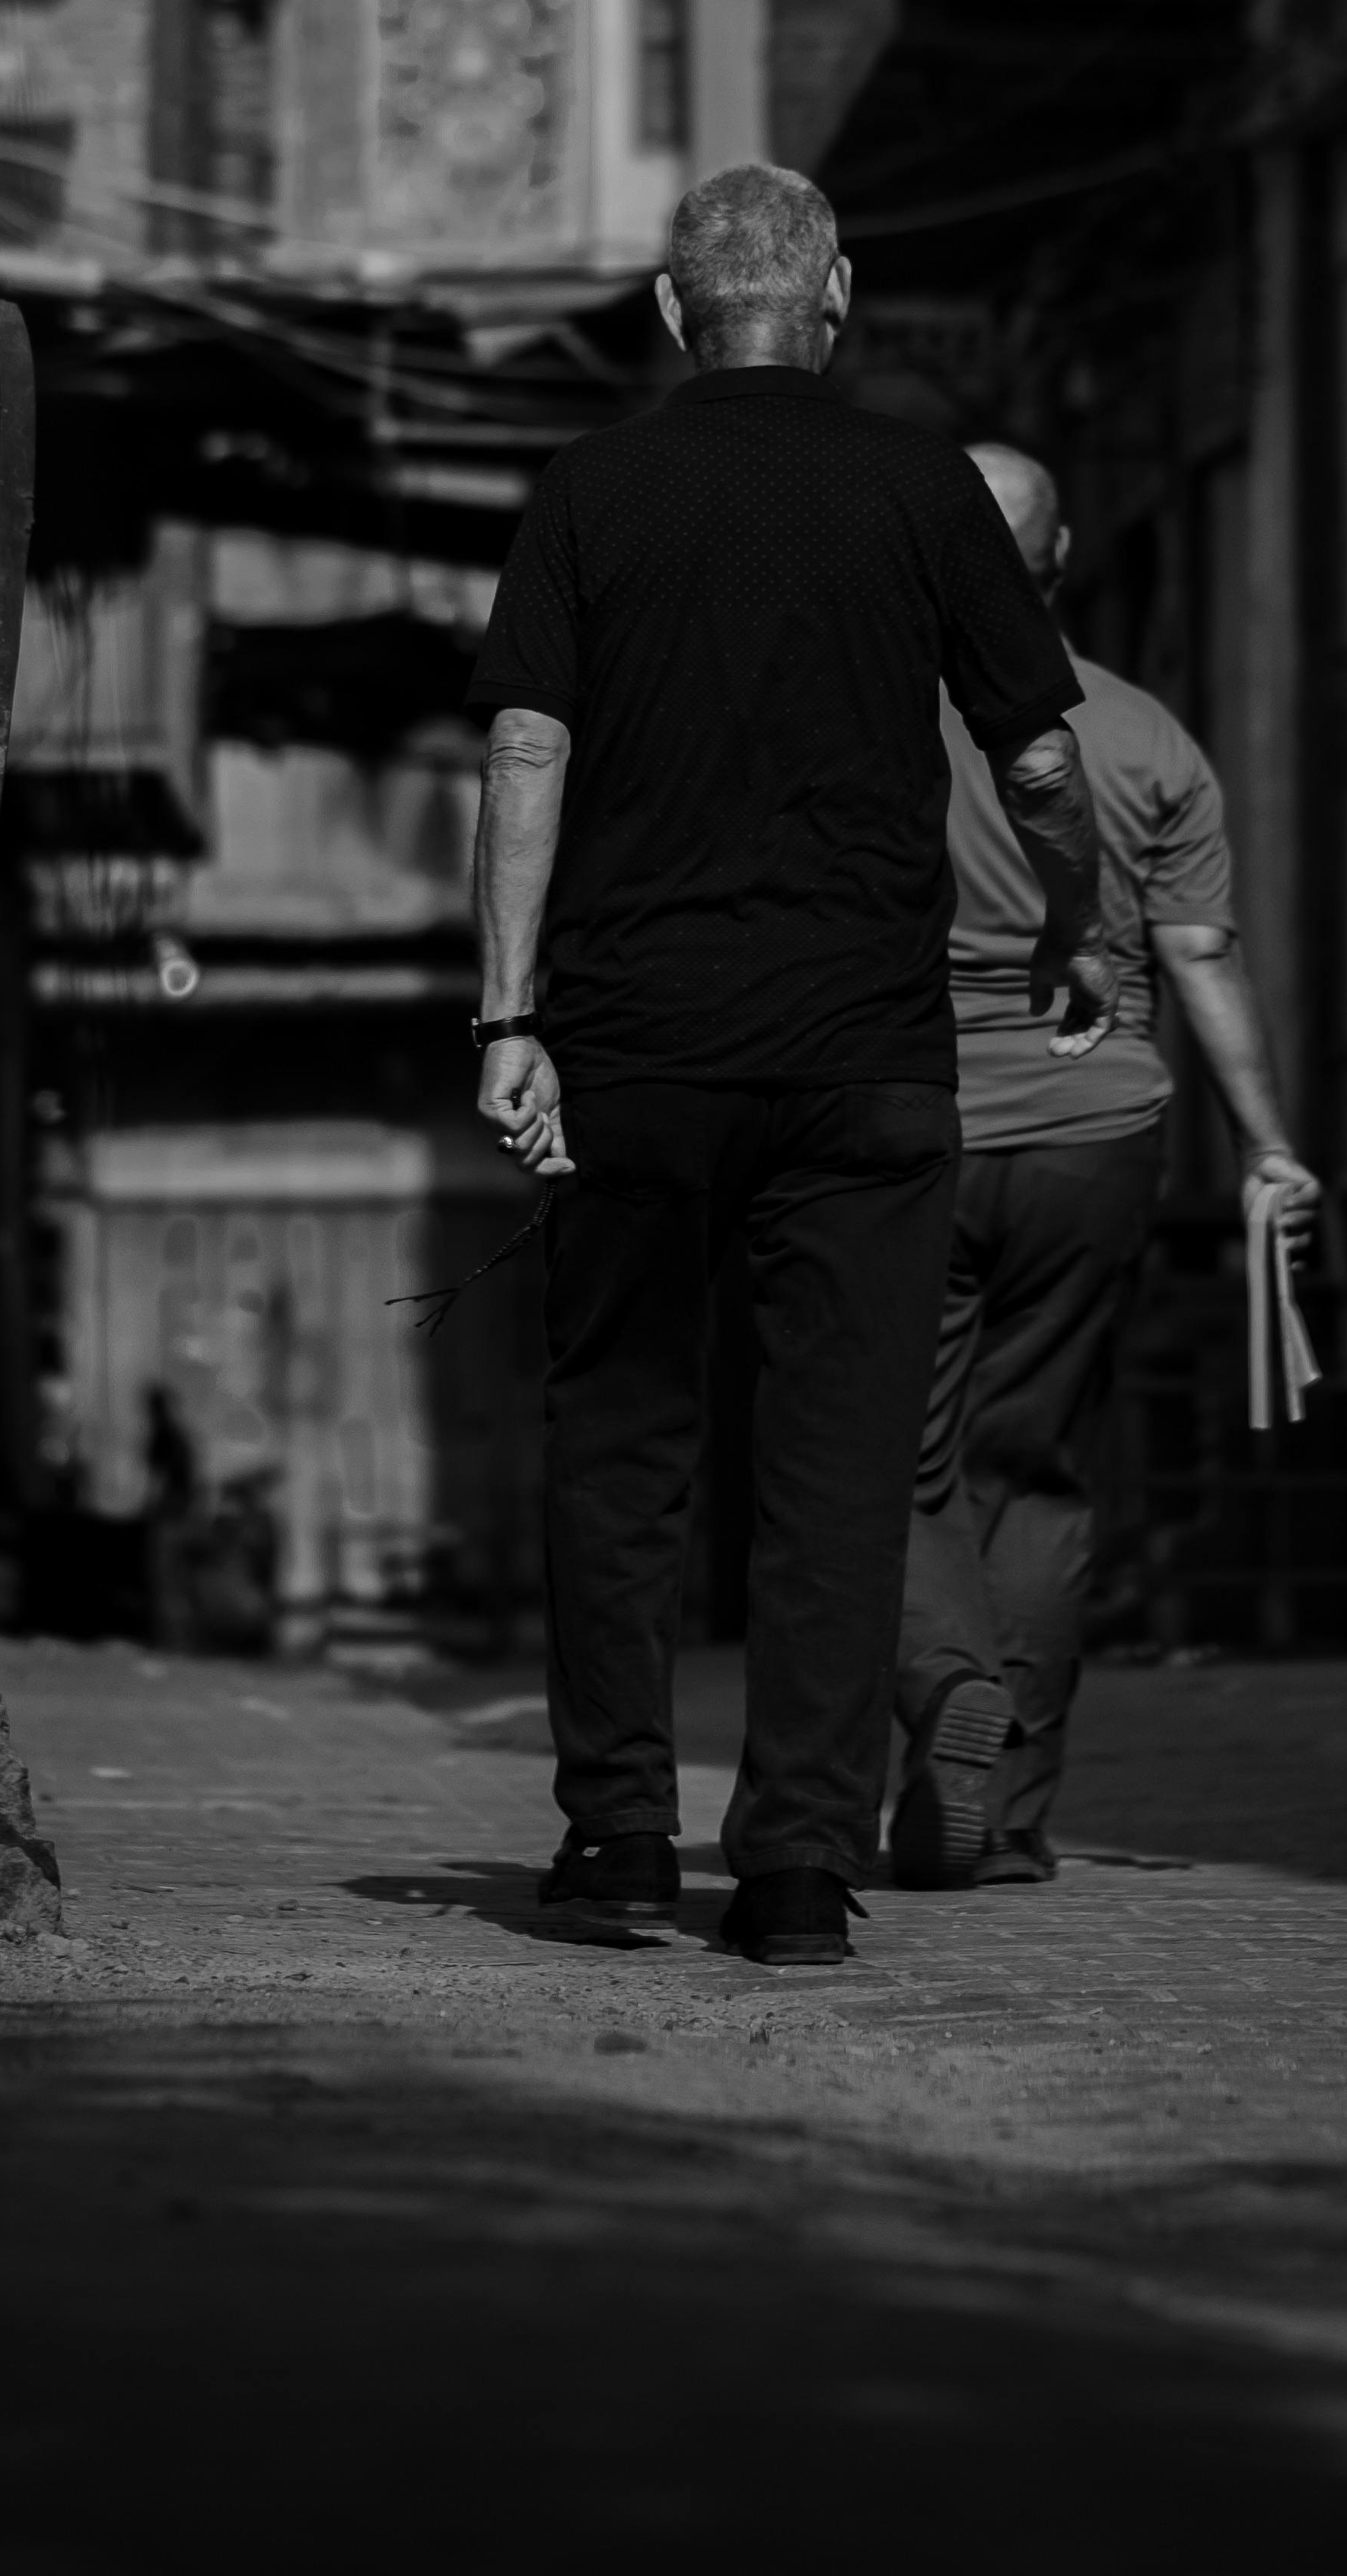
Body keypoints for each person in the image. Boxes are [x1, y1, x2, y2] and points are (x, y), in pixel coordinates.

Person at [467, 165, 1108, 1970]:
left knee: (620, 1449)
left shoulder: (591, 491)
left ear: (673, 314)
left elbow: (527, 748)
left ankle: (608, 1843)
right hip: (865, 1069)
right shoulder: (918, 481)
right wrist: (1068, 917)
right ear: (833, 295)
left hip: (633, 1052)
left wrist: (509, 1017)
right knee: (833, 1476)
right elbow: (1040, 762)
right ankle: (799, 1874)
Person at [890, 443, 1319, 1889]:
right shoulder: (1145, 737)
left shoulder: (873, 716)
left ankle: (944, 1693)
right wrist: (1266, 1145)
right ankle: (1003, 1816)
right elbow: (1200, 952)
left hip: (910, 1127)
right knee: (1043, 1474)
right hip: (1101, 1133)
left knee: (895, 1457)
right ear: (1064, 565)